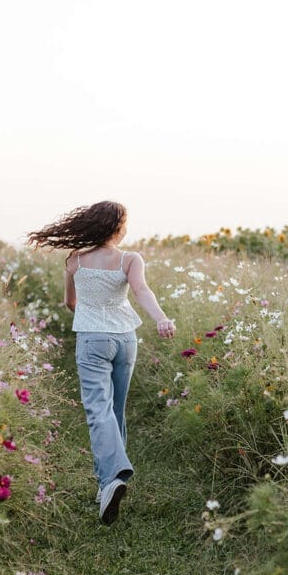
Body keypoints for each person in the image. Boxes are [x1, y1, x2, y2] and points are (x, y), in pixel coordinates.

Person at [26, 201, 176, 524]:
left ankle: (111, 479)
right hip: (125, 340)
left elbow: (70, 302)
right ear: (118, 228)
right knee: (114, 410)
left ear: (90, 225)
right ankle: (108, 481)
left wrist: (87, 310)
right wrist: (161, 318)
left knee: (98, 411)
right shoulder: (130, 259)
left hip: (93, 339)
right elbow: (142, 291)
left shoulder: (75, 260)